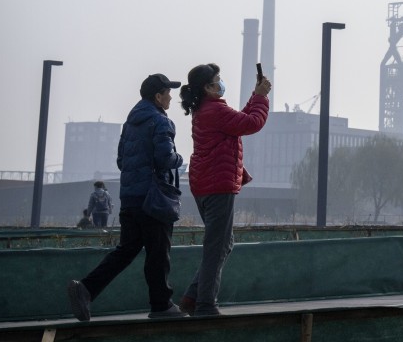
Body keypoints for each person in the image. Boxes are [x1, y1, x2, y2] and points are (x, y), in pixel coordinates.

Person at [67, 73, 186, 321]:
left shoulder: (130, 123)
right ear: (158, 96)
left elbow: (121, 161)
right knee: (158, 252)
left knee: (126, 250)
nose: (171, 97)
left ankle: (86, 289)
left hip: (130, 198)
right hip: (154, 199)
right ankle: (161, 305)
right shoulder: (161, 122)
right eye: (167, 93)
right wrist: (180, 160)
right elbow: (165, 159)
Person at [178, 63, 271, 317]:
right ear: (208, 87)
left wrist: (256, 95)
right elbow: (252, 123)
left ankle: (192, 297)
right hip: (217, 184)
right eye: (217, 80)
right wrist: (262, 97)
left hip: (206, 183)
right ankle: (206, 304)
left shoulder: (205, 110)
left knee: (223, 243)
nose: (221, 83)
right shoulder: (215, 110)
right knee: (216, 247)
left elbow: (239, 121)